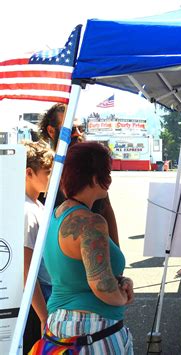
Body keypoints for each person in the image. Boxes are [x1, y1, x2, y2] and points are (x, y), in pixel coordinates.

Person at [31, 142, 134, 354]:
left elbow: (76, 274)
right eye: (107, 173)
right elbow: (101, 285)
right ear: (95, 178)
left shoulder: (57, 214)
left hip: (60, 326)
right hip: (92, 331)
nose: (111, 179)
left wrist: (121, 281)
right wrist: (123, 297)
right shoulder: (91, 222)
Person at [37, 104, 120, 246]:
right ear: (51, 131)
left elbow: (106, 208)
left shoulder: (89, 163)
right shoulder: (41, 169)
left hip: (96, 245)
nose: (78, 133)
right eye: (71, 129)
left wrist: (116, 252)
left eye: (80, 128)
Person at [22, 141, 54, 353]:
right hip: (37, 303)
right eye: (48, 172)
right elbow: (26, 270)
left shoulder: (36, 205)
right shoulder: (26, 211)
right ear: (29, 172)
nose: (54, 176)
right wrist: (43, 315)